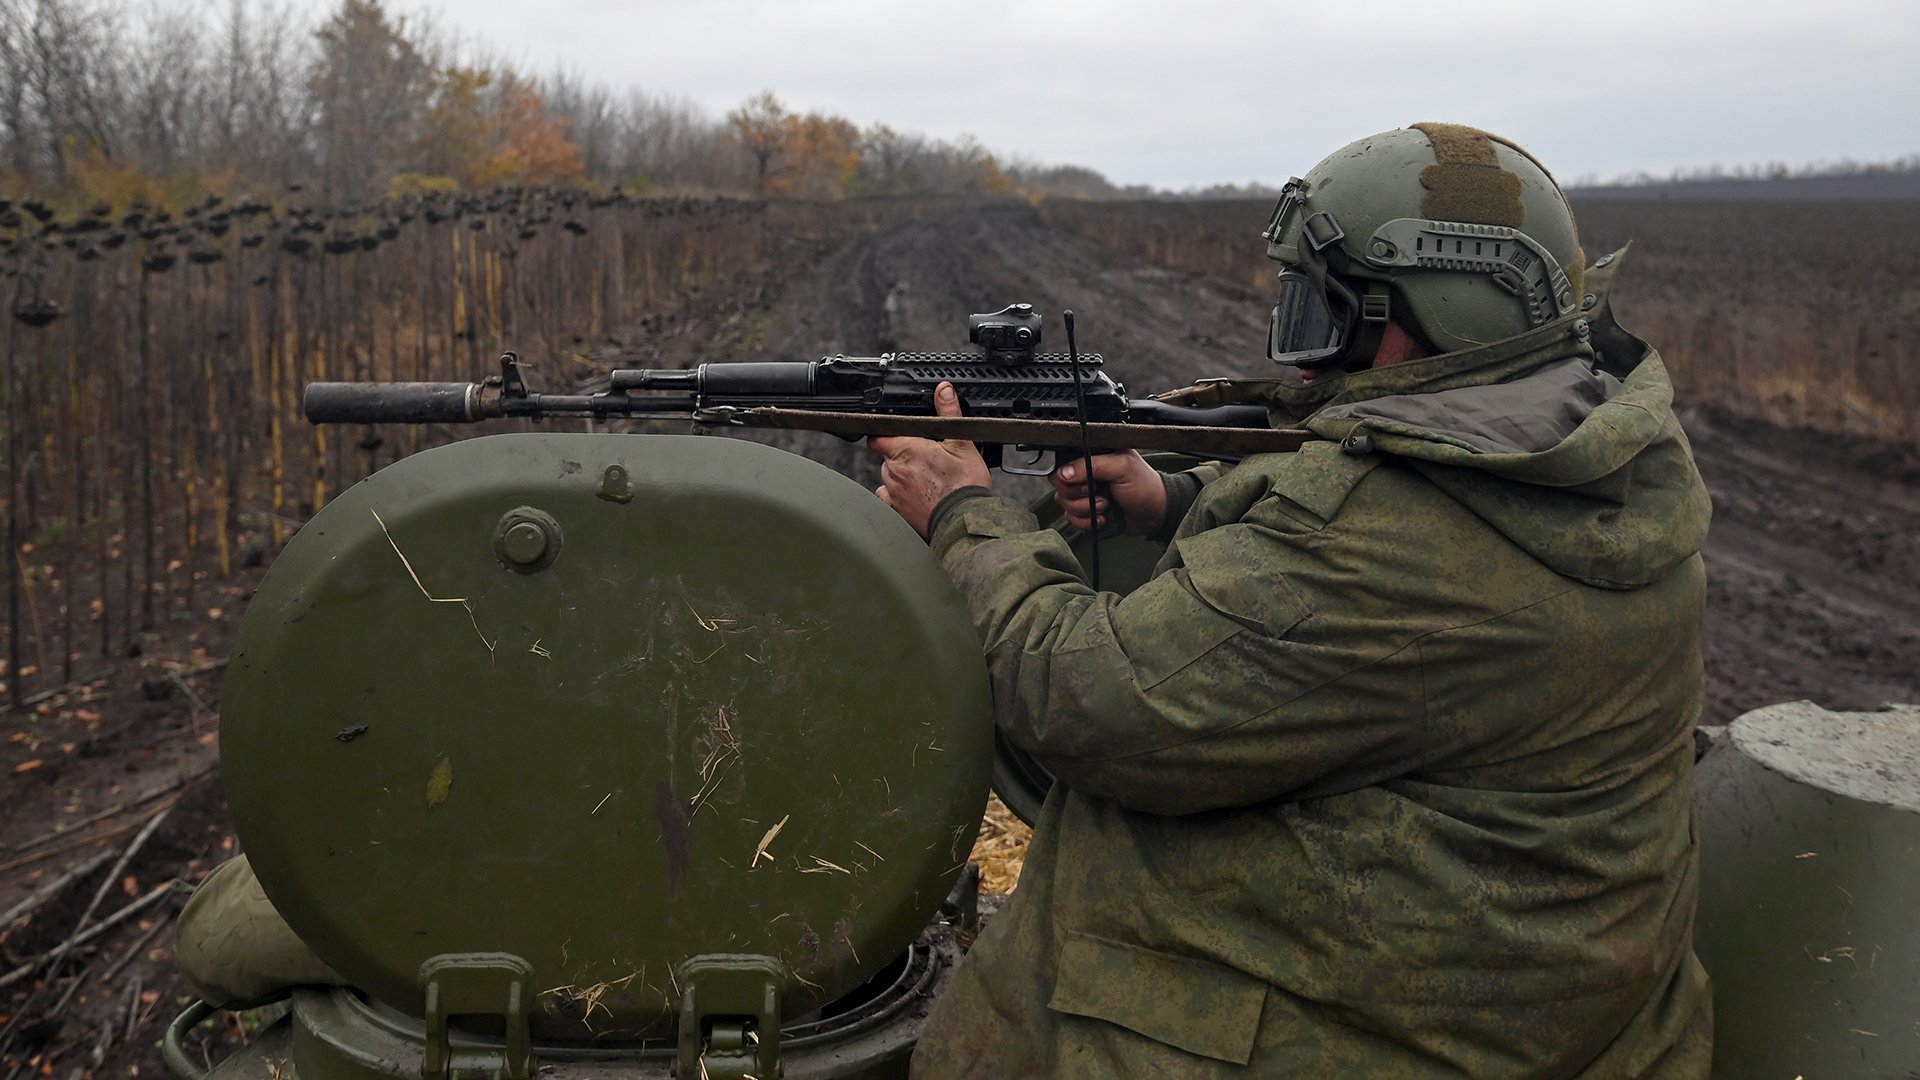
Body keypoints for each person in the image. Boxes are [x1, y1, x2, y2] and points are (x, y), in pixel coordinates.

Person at [869, 123, 1713, 1077]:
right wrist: (1171, 500)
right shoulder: (1579, 446)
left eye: (1329, 314)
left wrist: (964, 517)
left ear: (1439, 310)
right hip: (1518, 980)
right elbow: (1348, 594)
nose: (1305, 358)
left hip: (1382, 1030)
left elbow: (1096, 701)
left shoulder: (1395, 537)